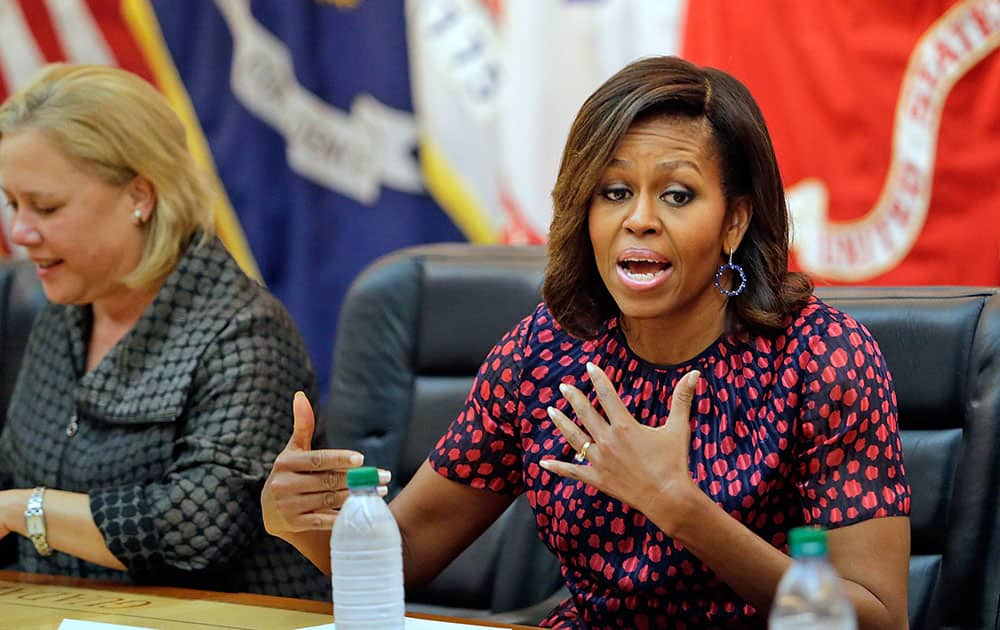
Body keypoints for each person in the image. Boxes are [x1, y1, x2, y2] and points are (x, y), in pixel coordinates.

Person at [262, 56, 911, 627]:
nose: (640, 219)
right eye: (615, 192)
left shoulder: (823, 358)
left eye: (678, 195)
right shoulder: (548, 351)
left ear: (734, 221)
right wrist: (304, 525)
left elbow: (876, 618)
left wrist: (681, 509)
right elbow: (405, 555)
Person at [0, 64, 328, 599]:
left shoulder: (243, 332)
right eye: (13, 204)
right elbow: (13, 468)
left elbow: (197, 529)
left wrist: (24, 510)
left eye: (46, 206)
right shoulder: (62, 311)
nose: (19, 232)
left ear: (140, 197)